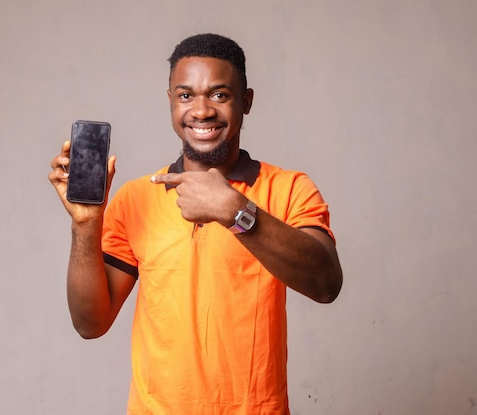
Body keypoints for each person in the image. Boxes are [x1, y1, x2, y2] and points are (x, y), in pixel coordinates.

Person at [48, 33, 343, 415]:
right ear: (170, 101)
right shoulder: (136, 198)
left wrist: (235, 211)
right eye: (186, 95)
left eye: (219, 95)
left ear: (246, 101)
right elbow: (90, 323)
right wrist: (85, 225)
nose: (201, 111)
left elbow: (326, 284)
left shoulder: (289, 188)